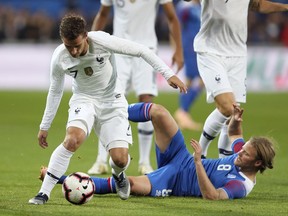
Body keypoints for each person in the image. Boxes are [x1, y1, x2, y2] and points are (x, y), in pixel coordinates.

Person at [28, 14, 187, 205]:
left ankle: (118, 176)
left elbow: (141, 51)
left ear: (86, 36)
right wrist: (45, 126)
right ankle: (43, 193)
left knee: (120, 159)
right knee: (72, 139)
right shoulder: (60, 57)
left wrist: (168, 74)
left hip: (113, 100)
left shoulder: (102, 41)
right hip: (84, 100)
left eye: (77, 45)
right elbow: (55, 91)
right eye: (69, 46)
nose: (74, 51)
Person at [39, 102, 276, 200]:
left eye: (245, 154)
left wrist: (197, 162)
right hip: (180, 157)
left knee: (126, 183)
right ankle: (110, 111)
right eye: (242, 150)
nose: (239, 153)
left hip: (173, 180)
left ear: (256, 164)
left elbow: (212, 197)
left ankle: (59, 178)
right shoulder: (241, 157)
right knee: (159, 112)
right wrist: (235, 119)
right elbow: (235, 134)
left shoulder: (240, 186)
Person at [87, 0, 184, 175]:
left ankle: (144, 162)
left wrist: (178, 50)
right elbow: (102, 14)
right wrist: (91, 45)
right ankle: (101, 160)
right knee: (109, 101)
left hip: (146, 50)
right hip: (118, 50)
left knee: (146, 100)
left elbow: (172, 17)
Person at [184, 0, 288, 158]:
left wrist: (285, 7)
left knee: (234, 115)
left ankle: (224, 165)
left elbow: (257, 4)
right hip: (211, 51)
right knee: (228, 108)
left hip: (238, 53)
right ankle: (199, 155)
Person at [174, 0, 204, 131]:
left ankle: (183, 113)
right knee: (198, 80)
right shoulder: (185, 7)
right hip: (190, 47)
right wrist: (177, 47)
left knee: (193, 81)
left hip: (201, 46)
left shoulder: (201, 6)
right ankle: (183, 112)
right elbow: (176, 26)